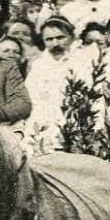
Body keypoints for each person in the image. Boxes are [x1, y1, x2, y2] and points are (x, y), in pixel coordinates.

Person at [23, 14, 88, 152]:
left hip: (73, 124)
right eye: (49, 39)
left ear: (71, 37)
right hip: (41, 125)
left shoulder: (82, 62)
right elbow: (30, 98)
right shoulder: (38, 65)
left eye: (60, 37)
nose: (55, 44)